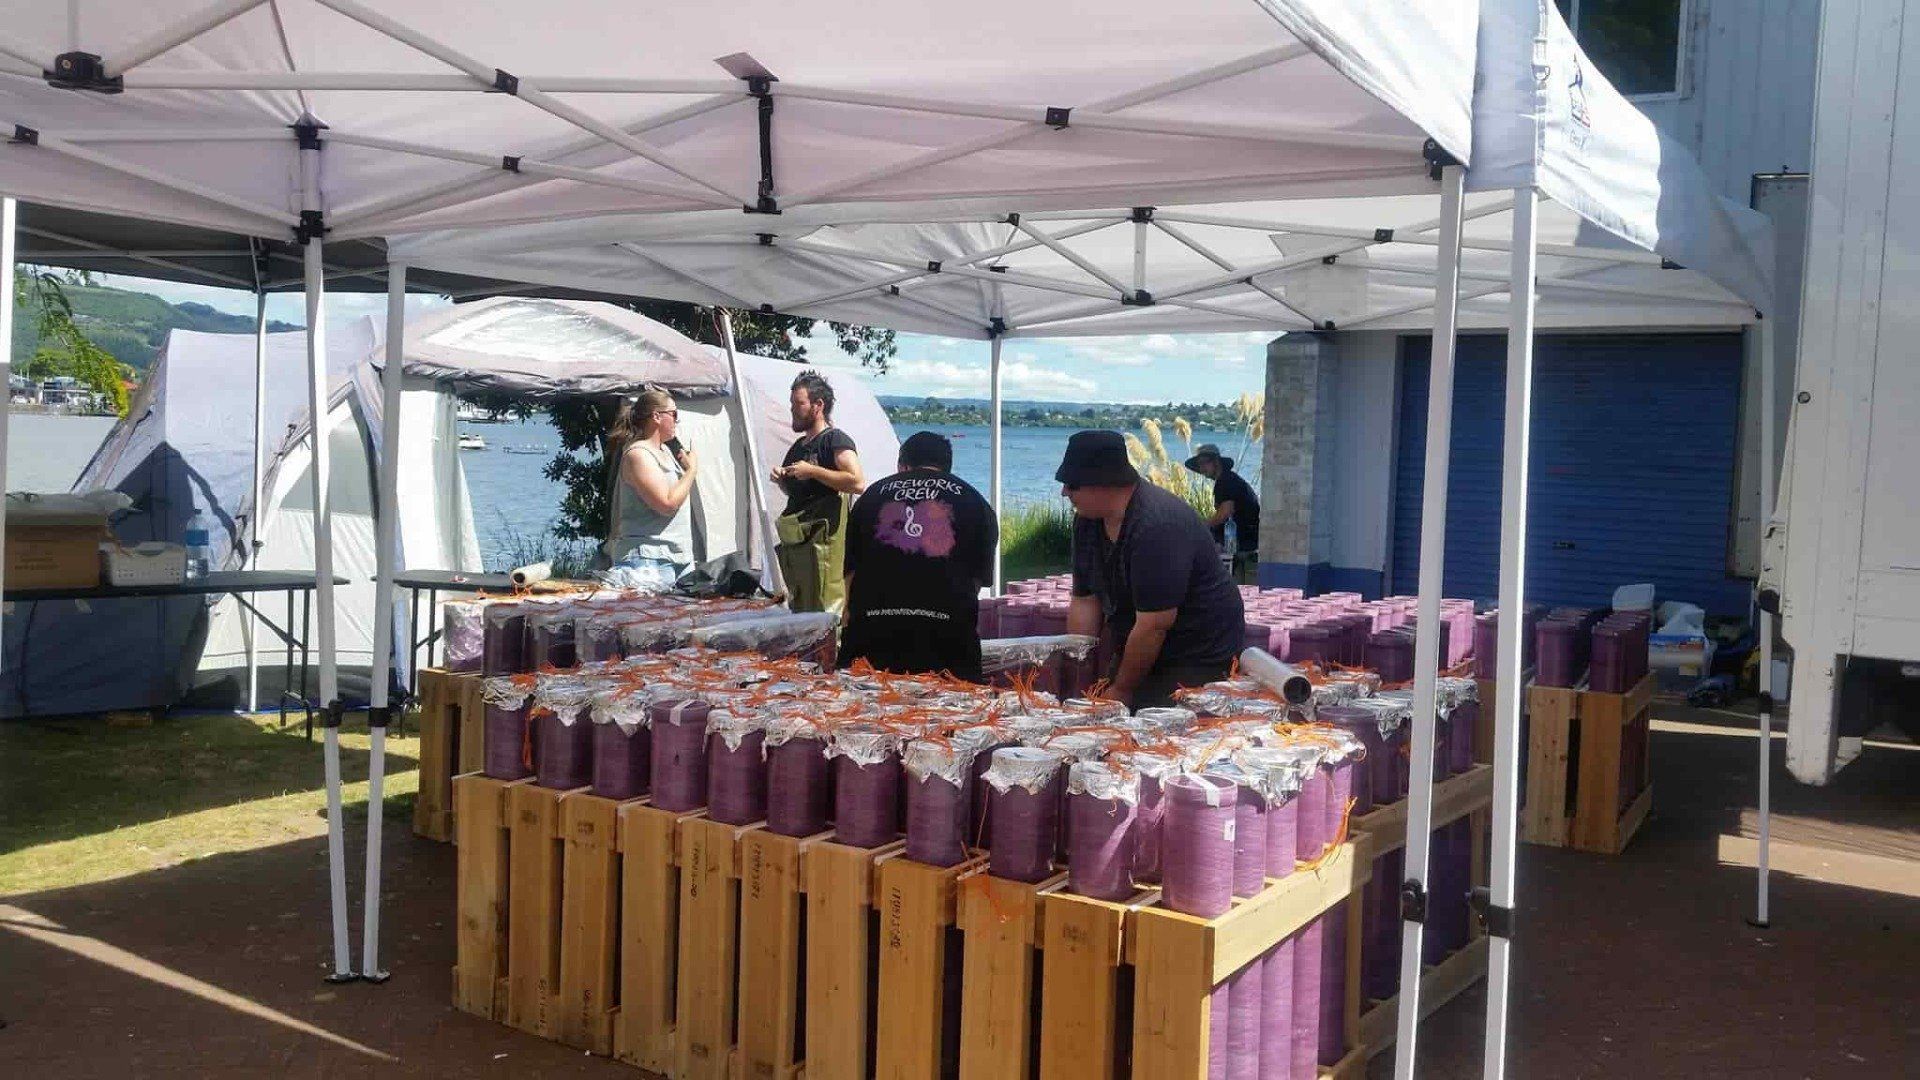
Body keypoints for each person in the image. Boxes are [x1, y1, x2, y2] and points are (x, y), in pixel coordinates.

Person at [1059, 430, 1245, 708]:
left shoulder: (1155, 525)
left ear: (1104, 482)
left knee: (1152, 723)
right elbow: (1085, 601)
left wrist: (1122, 690)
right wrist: (1080, 672)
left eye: (1072, 485)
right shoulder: (1088, 522)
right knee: (1105, 711)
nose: (1064, 493)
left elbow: (1155, 625)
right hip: (1141, 638)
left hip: (1198, 650)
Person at [840, 431, 997, 681]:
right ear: (947, 467)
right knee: (951, 716)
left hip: (871, 639)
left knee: (862, 714)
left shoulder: (870, 496)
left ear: (902, 465)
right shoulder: (975, 502)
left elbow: (851, 572)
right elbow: (976, 582)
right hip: (947, 643)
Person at [770, 371, 865, 611]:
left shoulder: (834, 440)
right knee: (800, 605)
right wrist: (782, 479)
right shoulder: (798, 447)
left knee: (824, 608)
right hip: (797, 542)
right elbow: (799, 493)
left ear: (818, 405)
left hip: (823, 545)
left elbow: (857, 482)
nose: (792, 409)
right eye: (791, 403)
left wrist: (813, 471)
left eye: (799, 403)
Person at [605, 388, 697, 590]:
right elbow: (667, 503)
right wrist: (691, 471)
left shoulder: (665, 451)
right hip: (647, 561)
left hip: (678, 557)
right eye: (674, 414)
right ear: (656, 416)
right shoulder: (639, 454)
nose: (676, 421)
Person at [1185, 442, 1261, 583]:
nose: (1202, 468)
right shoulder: (1229, 479)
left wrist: (1201, 525)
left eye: (1204, 463)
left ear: (1216, 462)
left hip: (1242, 543)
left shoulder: (1225, 482)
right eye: (1199, 465)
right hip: (1247, 541)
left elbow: (1225, 513)